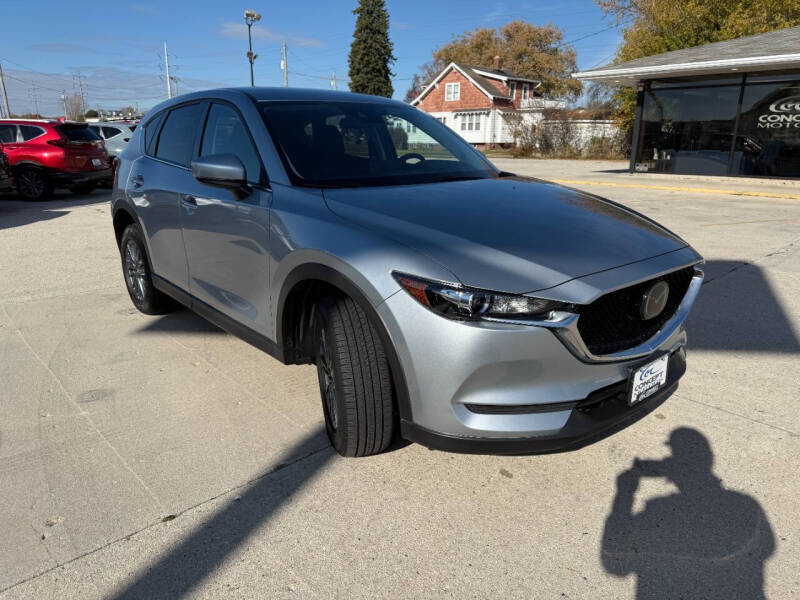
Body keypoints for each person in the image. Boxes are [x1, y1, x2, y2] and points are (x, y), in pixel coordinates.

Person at [601, 428, 774, 599]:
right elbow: (767, 548)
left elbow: (615, 563)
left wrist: (624, 493)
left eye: (672, 457)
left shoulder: (659, 510)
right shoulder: (745, 504)